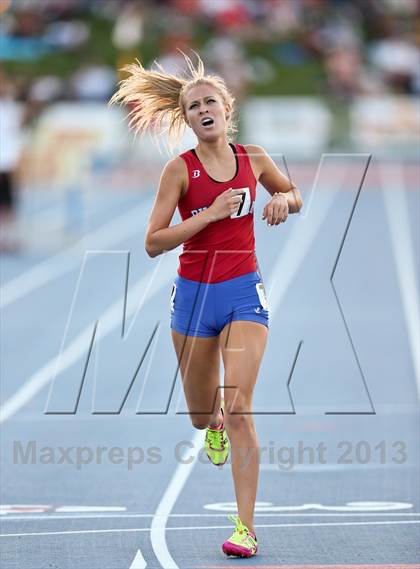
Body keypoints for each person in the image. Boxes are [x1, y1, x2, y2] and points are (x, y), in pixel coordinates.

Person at [111, 52, 303, 559]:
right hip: (193, 298)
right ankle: (211, 423)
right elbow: (153, 242)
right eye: (193, 106)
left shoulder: (253, 158)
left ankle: (245, 527)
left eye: (209, 101)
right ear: (188, 118)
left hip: (243, 290)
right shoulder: (180, 170)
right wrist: (210, 213)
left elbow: (294, 193)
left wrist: (283, 200)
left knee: (241, 406)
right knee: (203, 416)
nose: (203, 109)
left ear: (226, 107)